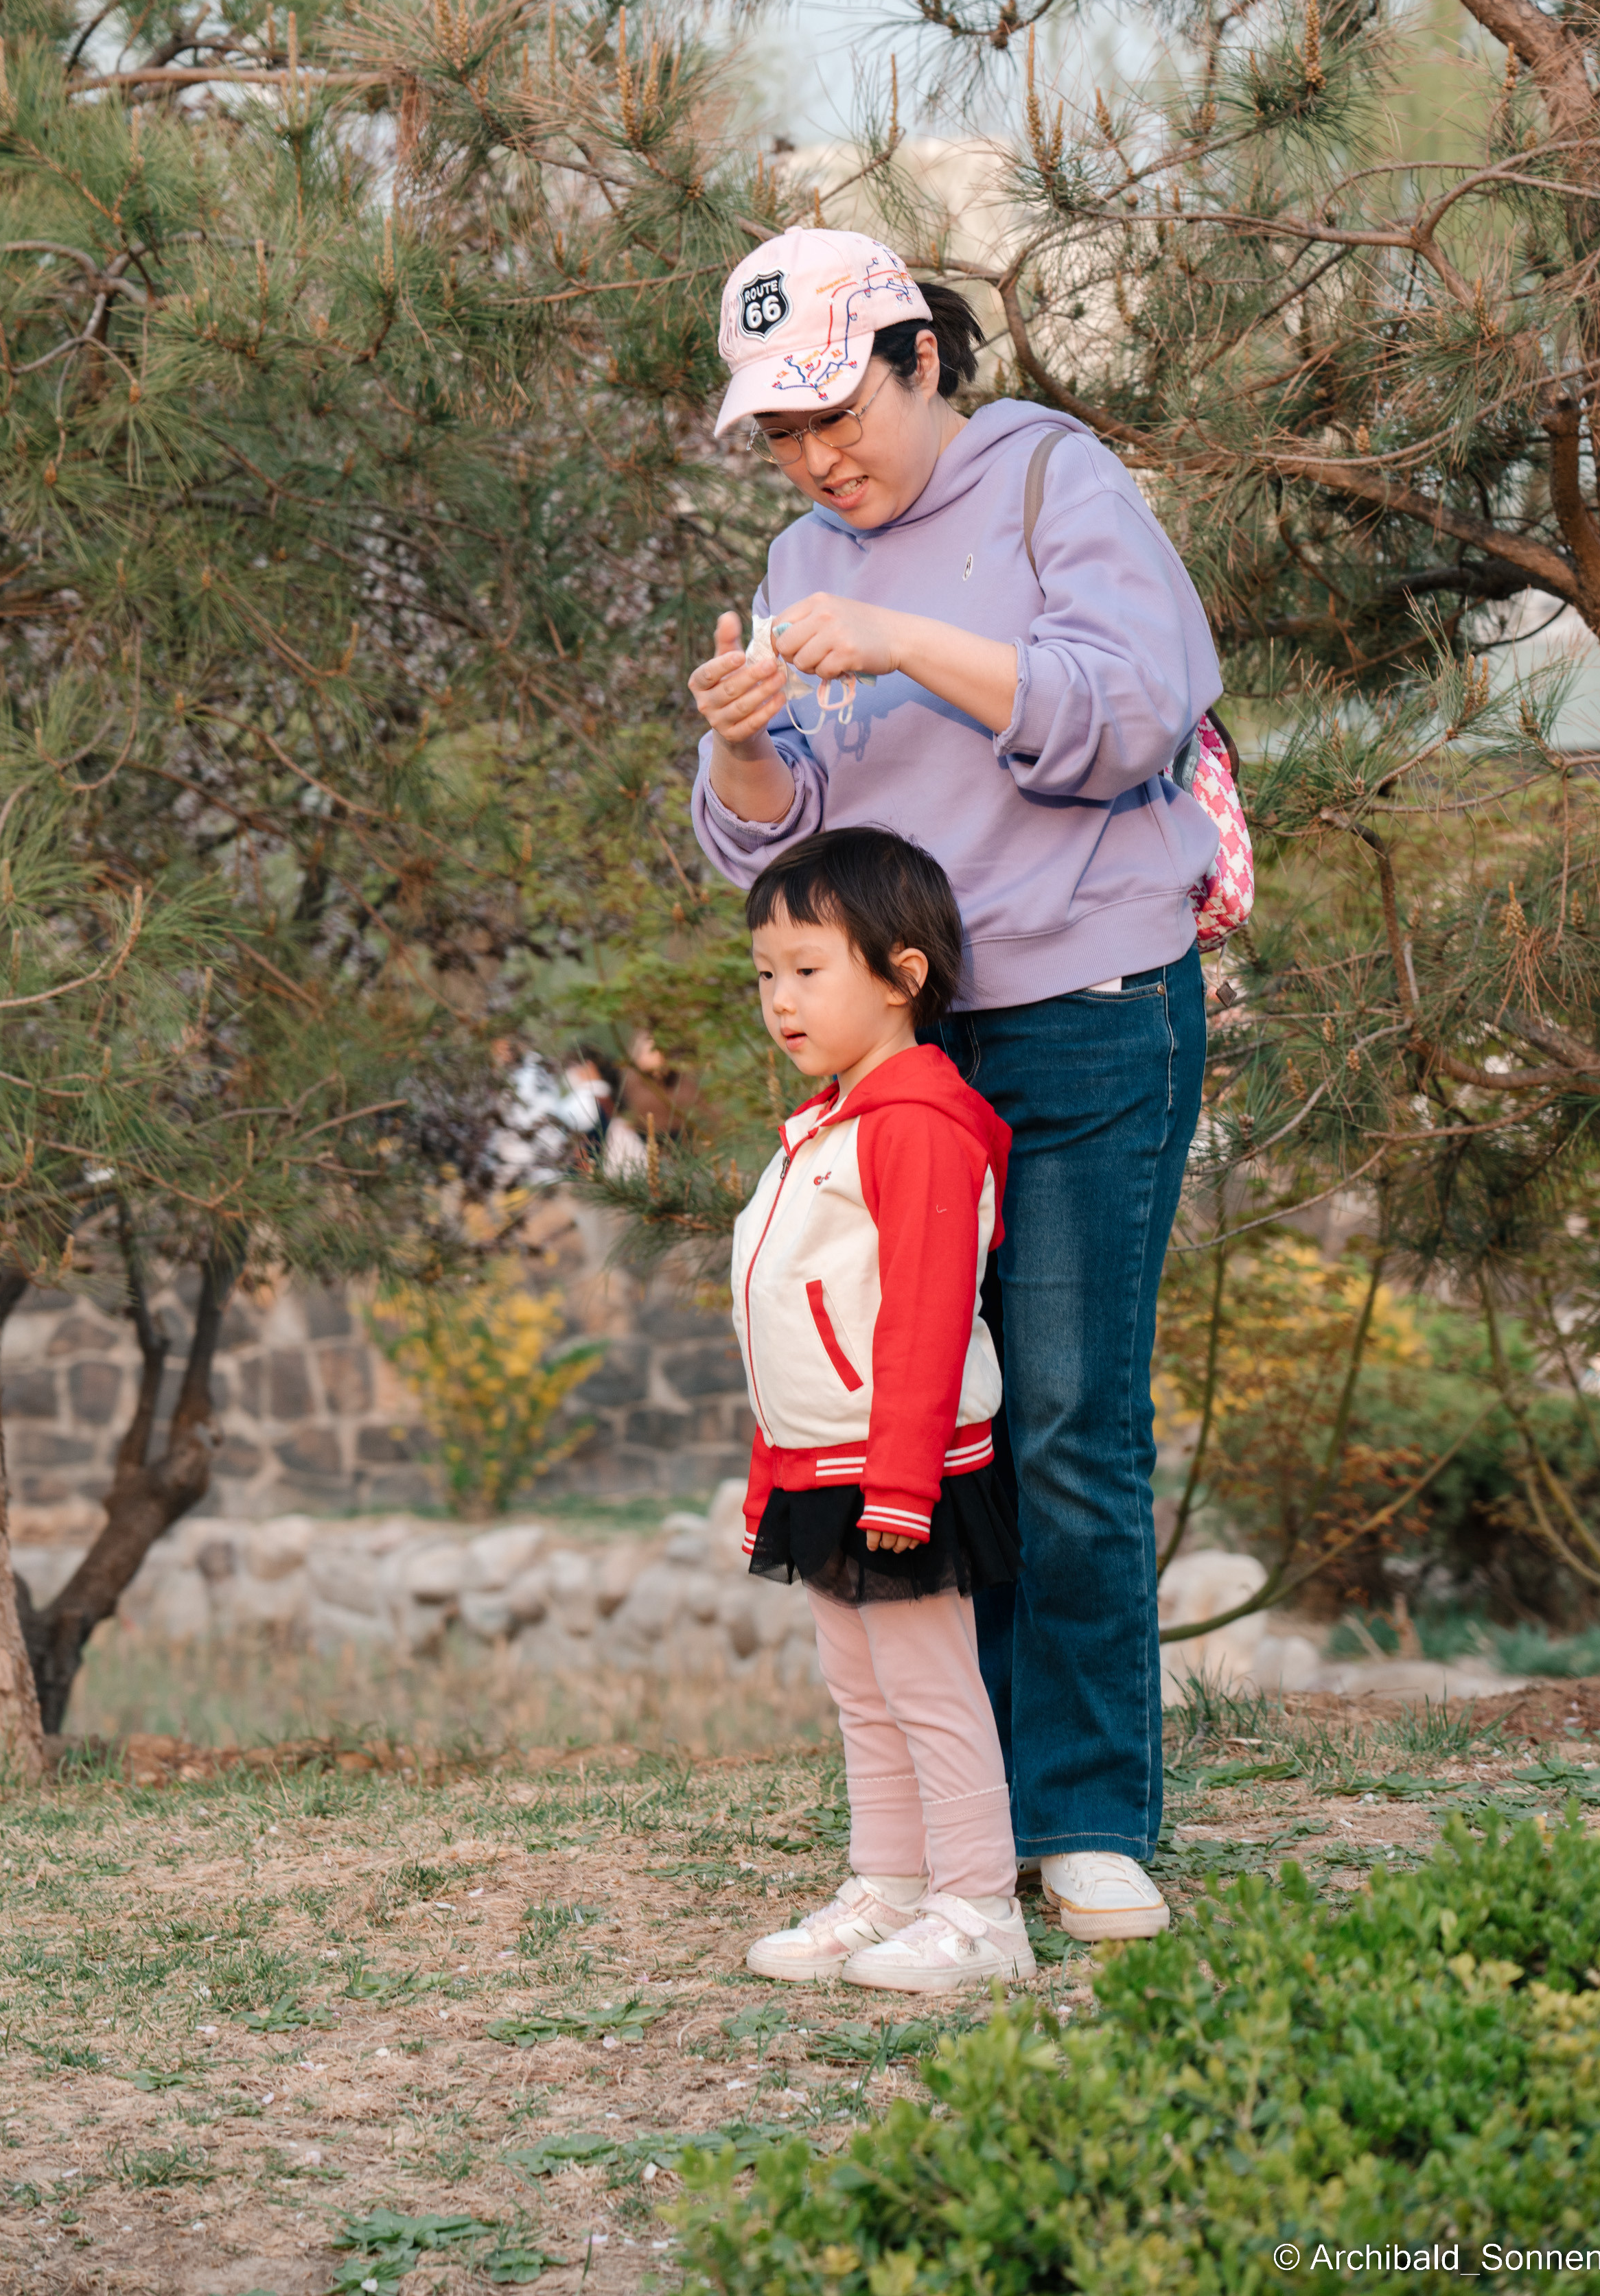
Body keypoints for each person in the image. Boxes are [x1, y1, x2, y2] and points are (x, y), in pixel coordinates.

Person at [689, 224, 1222, 1941]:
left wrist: (903, 639)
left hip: (1082, 1003)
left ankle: (1084, 1812)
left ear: (921, 358)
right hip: (908, 1055)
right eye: (780, 430)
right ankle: (944, 1835)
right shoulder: (796, 555)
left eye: (836, 407)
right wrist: (743, 737)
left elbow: (1127, 715)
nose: (815, 455)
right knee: (924, 1423)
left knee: (1065, 1417)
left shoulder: (1050, 481)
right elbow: (796, 856)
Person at [733, 826, 1030, 1994]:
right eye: (765, 973)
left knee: (927, 1687)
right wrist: (770, 1477)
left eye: (810, 969)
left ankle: (979, 1914)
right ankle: (890, 1885)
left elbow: (920, 1314)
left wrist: (901, 1486)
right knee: (860, 1689)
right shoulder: (826, 1126)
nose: (781, 998)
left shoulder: (915, 1123)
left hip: (902, 1469)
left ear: (904, 974)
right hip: (823, 1463)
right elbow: (783, 1325)